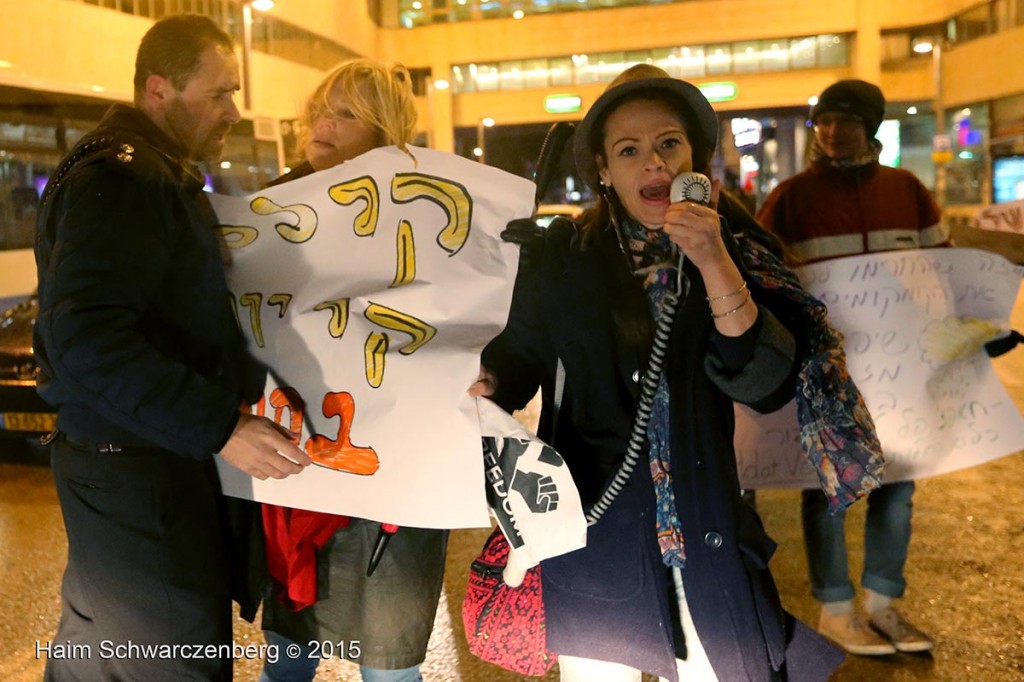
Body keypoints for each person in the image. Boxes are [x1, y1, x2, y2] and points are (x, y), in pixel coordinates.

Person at [474, 63, 875, 682]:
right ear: (605, 171)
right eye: (629, 150)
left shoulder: (735, 252)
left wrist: (713, 257)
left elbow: (764, 384)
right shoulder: (561, 257)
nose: (652, 163)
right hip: (593, 536)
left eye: (668, 144)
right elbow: (521, 354)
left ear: (696, 160)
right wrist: (491, 383)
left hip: (705, 527)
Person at [33, 15, 311, 681]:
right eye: (220, 94)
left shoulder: (140, 170)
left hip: (121, 466)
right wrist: (220, 424)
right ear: (159, 90)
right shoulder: (127, 180)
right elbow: (88, 337)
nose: (234, 113)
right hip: (143, 478)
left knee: (99, 651)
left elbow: (177, 318)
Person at [255, 59, 447, 682]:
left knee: (390, 665)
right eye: (318, 109)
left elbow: (469, 330)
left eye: (344, 113)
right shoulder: (268, 215)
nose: (321, 123)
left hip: (390, 483)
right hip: (298, 468)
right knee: (287, 656)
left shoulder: (432, 218)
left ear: (386, 133)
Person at [757, 79, 945, 656]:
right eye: (824, 122)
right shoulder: (790, 198)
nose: (834, 132)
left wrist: (969, 332)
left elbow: (943, 271)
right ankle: (836, 608)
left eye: (847, 121)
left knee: (899, 484)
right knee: (828, 486)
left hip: (901, 369)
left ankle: (884, 606)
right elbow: (762, 276)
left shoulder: (907, 189)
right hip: (830, 374)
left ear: (872, 128)